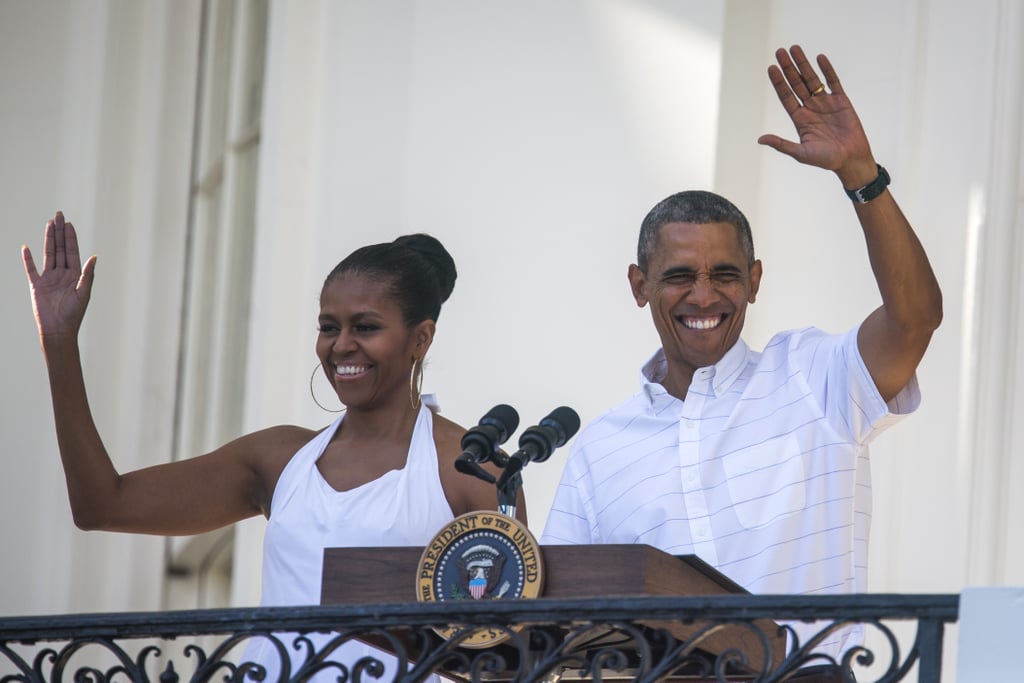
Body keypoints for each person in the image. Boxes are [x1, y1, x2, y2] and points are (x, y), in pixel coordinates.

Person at [541, 45, 942, 677]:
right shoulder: (600, 449)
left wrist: (861, 176)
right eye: (678, 277)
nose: (704, 296)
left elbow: (916, 318)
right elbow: (555, 621)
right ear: (638, 284)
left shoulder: (812, 375)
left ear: (754, 281)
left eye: (724, 274)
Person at [22, 215, 526, 680]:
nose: (341, 345)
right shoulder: (281, 459)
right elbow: (101, 506)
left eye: (365, 327)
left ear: (421, 338)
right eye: (329, 327)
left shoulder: (470, 464)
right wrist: (59, 342)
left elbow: (510, 655)